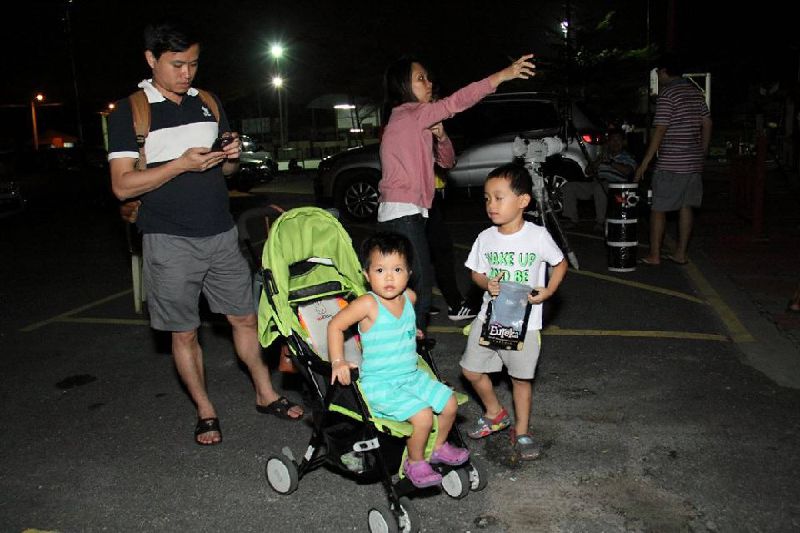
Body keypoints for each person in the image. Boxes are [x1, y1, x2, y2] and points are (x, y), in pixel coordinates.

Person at [107, 21, 302, 446]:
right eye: (177, 64)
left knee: (245, 318)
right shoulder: (130, 111)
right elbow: (122, 185)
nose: (186, 73)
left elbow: (227, 171)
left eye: (193, 64)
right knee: (184, 331)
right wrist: (180, 164)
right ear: (151, 59)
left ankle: (265, 393)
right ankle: (205, 410)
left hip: (221, 234)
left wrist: (230, 156)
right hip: (168, 240)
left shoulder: (208, 103)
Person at [378, 54, 536, 333]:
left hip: (414, 211)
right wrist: (502, 75)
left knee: (409, 282)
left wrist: (441, 137)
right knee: (420, 286)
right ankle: (411, 349)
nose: (429, 83)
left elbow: (447, 161)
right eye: (420, 78)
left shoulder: (415, 120)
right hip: (403, 212)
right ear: (402, 85)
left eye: (428, 78)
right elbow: (456, 102)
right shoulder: (410, 114)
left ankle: (405, 343)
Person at [327, 232, 470, 488]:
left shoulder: (410, 298)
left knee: (449, 403)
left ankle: (437, 448)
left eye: (397, 269)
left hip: (411, 377)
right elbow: (335, 325)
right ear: (367, 274)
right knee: (423, 416)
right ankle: (414, 462)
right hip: (381, 385)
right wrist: (338, 361)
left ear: (409, 272)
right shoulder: (367, 304)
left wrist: (410, 331)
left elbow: (401, 324)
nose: (390, 277)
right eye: (380, 270)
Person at [460, 163, 568, 460]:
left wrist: (549, 290)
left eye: (499, 197)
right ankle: (494, 412)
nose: (491, 205)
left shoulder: (537, 236)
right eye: (487, 198)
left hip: (524, 324)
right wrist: (487, 283)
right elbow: (476, 273)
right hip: (489, 318)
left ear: (523, 201)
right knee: (470, 370)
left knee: (520, 379)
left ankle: (522, 432)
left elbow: (560, 263)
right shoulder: (485, 237)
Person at [634, 53, 712, 265]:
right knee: (686, 207)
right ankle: (681, 253)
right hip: (693, 162)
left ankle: (655, 254)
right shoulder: (695, 93)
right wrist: (702, 151)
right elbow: (707, 123)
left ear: (665, 72)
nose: (658, 77)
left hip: (671, 162)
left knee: (658, 208)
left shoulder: (667, 95)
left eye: (659, 73)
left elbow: (660, 130)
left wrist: (645, 163)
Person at [426, 166, 482, 321]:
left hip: (421, 194)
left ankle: (420, 302)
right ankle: (454, 303)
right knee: (441, 250)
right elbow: (445, 160)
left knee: (423, 250)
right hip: (420, 194)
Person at [561, 127, 637, 231]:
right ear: (608, 142)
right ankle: (572, 219)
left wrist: (611, 162)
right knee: (569, 187)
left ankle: (600, 222)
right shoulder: (602, 156)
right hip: (596, 183)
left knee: (599, 188)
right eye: (612, 140)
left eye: (618, 140)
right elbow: (588, 171)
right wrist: (599, 160)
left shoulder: (627, 157)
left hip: (615, 187)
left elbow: (628, 171)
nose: (615, 143)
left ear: (623, 142)